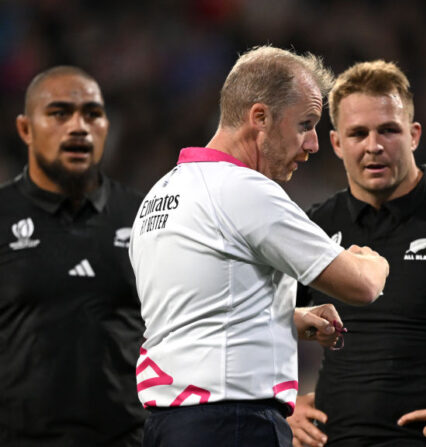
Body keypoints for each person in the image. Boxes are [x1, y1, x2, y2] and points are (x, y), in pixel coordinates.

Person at [128, 46, 389, 447]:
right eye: (305, 124)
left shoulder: (160, 195)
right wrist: (370, 261)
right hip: (233, 424)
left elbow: (198, 310)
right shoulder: (244, 190)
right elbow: (361, 286)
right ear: (260, 117)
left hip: (169, 428)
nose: (314, 144)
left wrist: (289, 316)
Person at [287, 60, 426, 446]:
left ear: (414, 135)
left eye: (388, 130)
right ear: (336, 143)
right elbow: (261, 319)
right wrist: (281, 400)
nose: (374, 146)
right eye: (358, 133)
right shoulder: (314, 227)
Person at [0, 66, 146, 445]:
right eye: (60, 113)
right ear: (25, 129)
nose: (79, 127)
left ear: (106, 127)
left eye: (92, 114)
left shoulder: (144, 216)